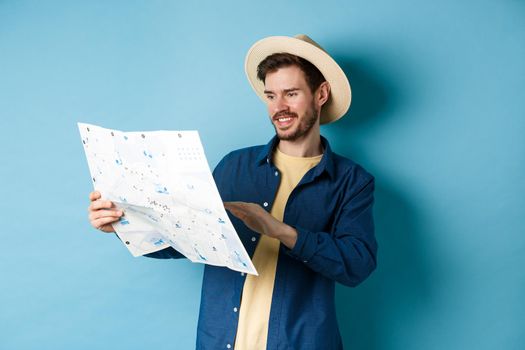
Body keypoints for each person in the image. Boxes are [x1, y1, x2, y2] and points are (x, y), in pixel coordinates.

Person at [88, 34, 377, 350]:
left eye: (291, 94)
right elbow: (184, 240)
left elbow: (357, 265)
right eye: (270, 96)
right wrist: (122, 222)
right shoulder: (233, 166)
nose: (278, 107)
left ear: (320, 94)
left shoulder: (352, 181)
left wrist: (281, 231)